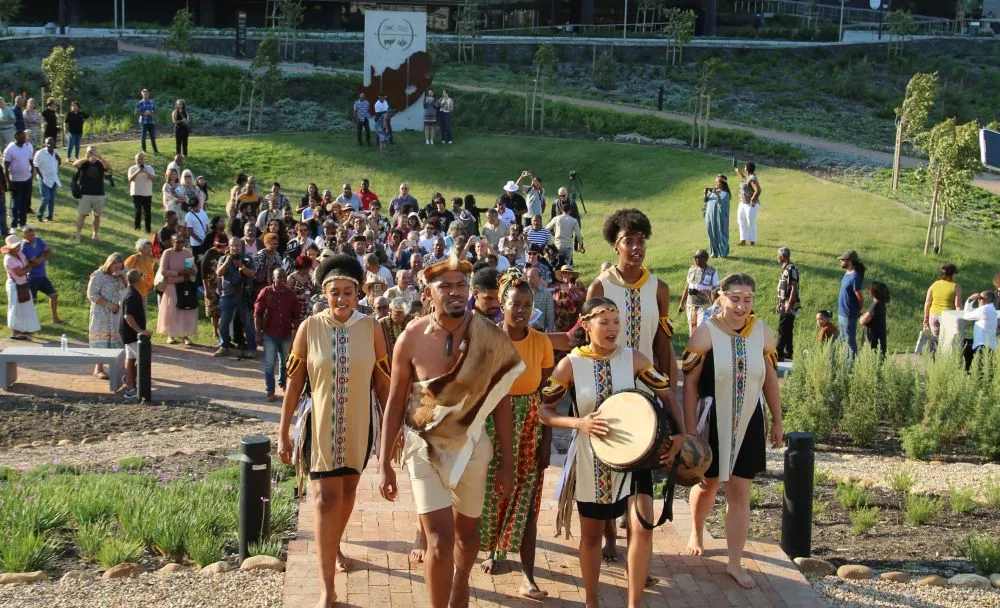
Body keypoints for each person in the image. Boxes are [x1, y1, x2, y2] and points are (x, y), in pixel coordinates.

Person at [377, 253, 522, 608]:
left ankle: (461, 581)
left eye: (461, 285)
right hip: (424, 448)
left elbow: (502, 404)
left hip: (474, 446)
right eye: (446, 286)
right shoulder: (410, 337)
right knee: (439, 543)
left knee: (467, 535)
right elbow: (395, 402)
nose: (455, 292)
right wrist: (383, 463)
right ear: (430, 292)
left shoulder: (492, 337)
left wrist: (508, 461)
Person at [540, 297, 684, 608]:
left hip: (636, 456)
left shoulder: (633, 358)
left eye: (616, 322)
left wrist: (681, 434)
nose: (612, 328)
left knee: (642, 527)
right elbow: (545, 410)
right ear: (587, 324)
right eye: (604, 322)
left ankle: (634, 604)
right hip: (592, 461)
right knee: (591, 537)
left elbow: (667, 394)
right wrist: (578, 422)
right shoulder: (570, 364)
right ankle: (592, 601)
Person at [276, 254, 390, 608]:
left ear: (358, 293)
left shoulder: (371, 328)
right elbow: (294, 386)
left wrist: (391, 429)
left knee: (349, 488)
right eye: (334, 293)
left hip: (360, 425)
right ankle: (327, 588)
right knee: (326, 498)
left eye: (348, 292)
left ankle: (334, 544)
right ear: (325, 294)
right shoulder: (309, 328)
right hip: (320, 425)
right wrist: (283, 434)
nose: (341, 299)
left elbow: (383, 383)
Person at [682, 273, 783, 590]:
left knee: (740, 493)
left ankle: (735, 562)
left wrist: (778, 420)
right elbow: (691, 386)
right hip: (712, 420)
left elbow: (768, 379)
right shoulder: (705, 334)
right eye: (735, 298)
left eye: (747, 299)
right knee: (709, 484)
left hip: (749, 420)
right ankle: (697, 528)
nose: (741, 306)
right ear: (720, 298)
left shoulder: (763, 334)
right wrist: (689, 431)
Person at [589, 208, 679, 560]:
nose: (636, 247)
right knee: (609, 463)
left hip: (646, 389)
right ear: (616, 245)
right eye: (629, 241)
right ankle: (609, 535)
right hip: (608, 387)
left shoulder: (659, 288)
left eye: (641, 241)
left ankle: (636, 545)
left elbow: (662, 344)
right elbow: (591, 336)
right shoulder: (601, 286)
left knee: (641, 466)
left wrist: (667, 388)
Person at [477, 269, 554, 600]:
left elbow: (549, 393)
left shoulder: (541, 342)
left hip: (532, 426)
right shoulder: (488, 339)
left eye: (527, 304)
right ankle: (493, 551)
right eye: (514, 303)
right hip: (494, 423)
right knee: (495, 493)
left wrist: (547, 439)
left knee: (528, 499)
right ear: (502, 305)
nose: (521, 310)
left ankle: (528, 575)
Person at [255, 268, 300, 402]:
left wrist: (297, 333)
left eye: (284, 277)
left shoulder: (291, 294)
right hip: (270, 333)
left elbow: (296, 315)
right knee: (269, 363)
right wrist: (257, 333)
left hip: (286, 333)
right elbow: (257, 313)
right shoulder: (266, 292)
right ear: (273, 279)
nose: (282, 280)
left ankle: (284, 385)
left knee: (286, 362)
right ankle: (270, 390)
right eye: (279, 277)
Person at [215, 237, 258, 359]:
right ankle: (224, 346)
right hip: (228, 296)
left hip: (243, 295)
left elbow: (253, 274)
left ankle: (251, 349)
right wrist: (227, 262)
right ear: (229, 246)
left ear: (241, 246)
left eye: (237, 246)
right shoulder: (223, 259)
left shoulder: (248, 259)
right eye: (233, 246)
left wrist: (242, 266)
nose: (235, 248)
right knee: (223, 323)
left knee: (248, 324)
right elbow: (219, 273)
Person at [88, 253, 128, 379]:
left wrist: (123, 278)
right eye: (114, 265)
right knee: (102, 339)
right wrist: (109, 305)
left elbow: (130, 290)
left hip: (117, 314)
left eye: (119, 266)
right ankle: (98, 368)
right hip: (102, 313)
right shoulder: (99, 275)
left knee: (117, 340)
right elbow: (91, 294)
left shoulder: (124, 274)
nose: (117, 268)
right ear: (109, 264)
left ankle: (118, 368)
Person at [156, 234, 198, 346]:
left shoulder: (187, 253)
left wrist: (190, 272)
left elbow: (193, 268)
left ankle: (185, 335)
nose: (180, 244)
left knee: (185, 309)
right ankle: (171, 334)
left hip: (185, 285)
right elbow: (163, 271)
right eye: (177, 242)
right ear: (172, 242)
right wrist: (179, 273)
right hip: (172, 285)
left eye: (182, 242)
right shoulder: (167, 253)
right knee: (171, 310)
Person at [119, 269, 151, 402]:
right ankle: (131, 388)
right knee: (142, 359)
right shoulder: (132, 295)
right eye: (142, 276)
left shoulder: (127, 291)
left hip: (127, 332)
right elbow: (128, 316)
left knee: (131, 358)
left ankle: (129, 380)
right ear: (138, 280)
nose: (143, 278)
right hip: (132, 333)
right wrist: (140, 331)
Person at [20, 225, 61, 324]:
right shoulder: (24, 247)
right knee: (32, 302)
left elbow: (49, 252)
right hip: (31, 278)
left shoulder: (38, 240)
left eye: (33, 235)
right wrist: (43, 255)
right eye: (29, 236)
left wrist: (41, 257)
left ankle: (55, 319)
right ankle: (28, 322)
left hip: (42, 276)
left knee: (54, 295)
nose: (32, 237)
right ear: (24, 236)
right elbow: (36, 262)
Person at [3, 234, 40, 340]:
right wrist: (27, 269)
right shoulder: (9, 259)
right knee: (15, 308)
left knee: (26, 306)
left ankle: (24, 328)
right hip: (14, 286)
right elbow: (20, 272)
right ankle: (15, 331)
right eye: (16, 246)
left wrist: (26, 269)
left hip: (23, 284)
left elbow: (27, 266)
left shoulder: (19, 254)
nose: (18, 247)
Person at [72, 146, 111, 242]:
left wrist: (100, 158)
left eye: (94, 150)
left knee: (97, 215)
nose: (93, 153)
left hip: (99, 194)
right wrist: (87, 158)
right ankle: (78, 235)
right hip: (85, 194)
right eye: (90, 151)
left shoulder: (100, 163)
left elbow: (109, 168)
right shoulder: (84, 163)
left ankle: (95, 234)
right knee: (82, 214)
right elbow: (75, 164)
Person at [922, 263, 962, 356]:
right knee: (946, 342)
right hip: (948, 316)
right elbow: (958, 305)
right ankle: (944, 362)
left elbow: (927, 303)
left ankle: (933, 361)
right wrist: (960, 319)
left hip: (934, 315)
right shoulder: (956, 287)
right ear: (953, 274)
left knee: (934, 340)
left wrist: (925, 318)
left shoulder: (934, 285)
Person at [678, 249, 719, 332]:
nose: (696, 260)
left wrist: (709, 293)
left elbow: (717, 289)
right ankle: (693, 344)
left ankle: (704, 343)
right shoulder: (691, 269)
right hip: (691, 304)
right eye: (695, 258)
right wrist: (682, 302)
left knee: (701, 326)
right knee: (692, 328)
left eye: (698, 258)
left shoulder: (712, 271)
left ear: (705, 259)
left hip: (704, 305)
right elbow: (687, 286)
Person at [837, 250, 866, 355]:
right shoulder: (847, 274)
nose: (840, 261)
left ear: (850, 261)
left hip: (849, 315)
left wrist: (859, 310)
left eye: (843, 259)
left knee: (850, 341)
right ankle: (846, 363)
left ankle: (852, 366)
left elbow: (860, 298)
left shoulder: (855, 277)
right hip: (842, 313)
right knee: (843, 340)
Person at [4, 130, 34, 230]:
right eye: (22, 137)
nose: (24, 139)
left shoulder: (27, 147)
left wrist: (31, 175)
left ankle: (23, 223)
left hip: (27, 179)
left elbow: (31, 161)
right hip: (15, 181)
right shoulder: (10, 149)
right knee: (15, 203)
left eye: (24, 137)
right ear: (16, 137)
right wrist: (9, 182)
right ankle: (13, 225)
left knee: (24, 202)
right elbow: (6, 168)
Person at [775, 246, 800, 361]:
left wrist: (789, 304)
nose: (777, 258)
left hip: (788, 304)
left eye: (778, 255)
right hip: (784, 303)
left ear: (782, 257)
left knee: (782, 328)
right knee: (788, 328)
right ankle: (789, 352)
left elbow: (794, 287)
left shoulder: (791, 268)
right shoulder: (785, 268)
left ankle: (778, 353)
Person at [32, 137, 61, 223]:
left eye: (51, 143)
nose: (49, 145)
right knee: (46, 198)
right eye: (47, 143)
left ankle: (49, 217)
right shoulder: (40, 153)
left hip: (54, 179)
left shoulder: (56, 152)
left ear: (54, 143)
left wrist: (58, 159)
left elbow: (58, 164)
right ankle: (39, 215)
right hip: (44, 179)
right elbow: (36, 165)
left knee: (52, 199)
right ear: (45, 143)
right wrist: (41, 176)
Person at [961, 291, 998, 357]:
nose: (978, 300)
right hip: (990, 345)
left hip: (982, 345)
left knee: (980, 366)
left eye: (980, 298)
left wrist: (971, 299)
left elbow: (966, 316)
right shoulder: (991, 308)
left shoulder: (983, 310)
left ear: (988, 300)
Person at [127, 152, 156, 233]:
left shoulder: (149, 168)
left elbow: (154, 179)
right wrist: (138, 171)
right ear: (135, 160)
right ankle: (137, 228)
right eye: (138, 159)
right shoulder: (132, 168)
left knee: (147, 212)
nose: (140, 161)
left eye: (141, 159)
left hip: (147, 193)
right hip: (136, 193)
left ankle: (148, 229)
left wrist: (146, 172)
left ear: (144, 160)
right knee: (138, 211)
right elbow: (130, 179)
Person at [552, 264, 586, 333]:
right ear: (561, 275)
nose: (566, 275)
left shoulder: (578, 286)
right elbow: (553, 304)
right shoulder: (557, 289)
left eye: (569, 273)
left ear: (572, 275)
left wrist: (576, 291)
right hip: (561, 323)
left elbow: (584, 300)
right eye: (564, 273)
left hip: (575, 322)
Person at [734, 162, 761, 246]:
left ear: (747, 169)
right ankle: (743, 240)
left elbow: (758, 190)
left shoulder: (752, 178)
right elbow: (745, 180)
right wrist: (738, 171)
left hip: (750, 205)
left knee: (751, 222)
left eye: (745, 167)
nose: (744, 167)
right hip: (742, 203)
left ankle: (752, 241)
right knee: (740, 221)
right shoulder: (749, 177)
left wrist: (752, 199)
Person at [860, 281, 890, 357]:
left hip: (873, 340)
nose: (868, 290)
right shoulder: (881, 304)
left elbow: (863, 321)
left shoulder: (876, 305)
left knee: (871, 360)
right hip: (878, 339)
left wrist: (860, 315)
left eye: (870, 289)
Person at [704, 174, 731, 258]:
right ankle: (714, 253)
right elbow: (706, 201)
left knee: (720, 233)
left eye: (718, 181)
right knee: (711, 233)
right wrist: (705, 194)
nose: (716, 183)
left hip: (719, 218)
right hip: (710, 217)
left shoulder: (726, 194)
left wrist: (717, 195)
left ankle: (723, 253)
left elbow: (722, 206)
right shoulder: (711, 193)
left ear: (723, 183)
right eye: (716, 181)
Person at [136, 88, 159, 154]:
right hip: (144, 122)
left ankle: (155, 150)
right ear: (142, 94)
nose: (145, 95)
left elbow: (155, 111)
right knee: (143, 136)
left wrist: (152, 114)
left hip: (151, 121)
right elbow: (137, 112)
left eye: (146, 93)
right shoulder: (140, 103)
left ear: (148, 94)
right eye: (144, 94)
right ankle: (144, 150)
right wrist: (144, 113)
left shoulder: (152, 102)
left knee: (153, 136)